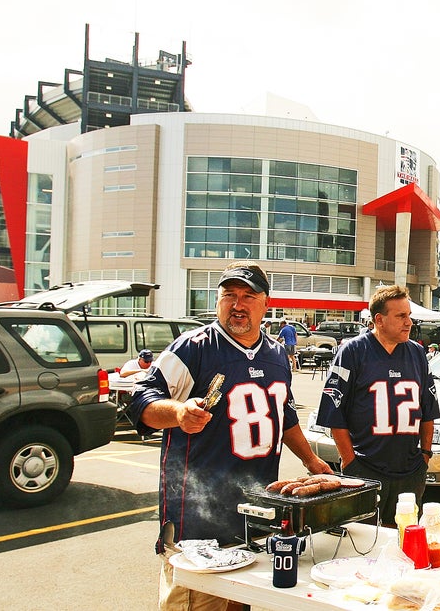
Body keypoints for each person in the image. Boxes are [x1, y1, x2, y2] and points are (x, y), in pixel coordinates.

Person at [127, 261, 332, 611]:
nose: (237, 305)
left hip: (256, 512)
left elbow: (283, 413)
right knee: (197, 604)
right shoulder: (193, 348)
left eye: (247, 296)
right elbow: (140, 399)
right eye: (229, 295)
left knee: (242, 603)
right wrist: (177, 413)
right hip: (198, 517)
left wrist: (311, 460)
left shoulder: (277, 354)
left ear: (266, 303)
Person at [315, 284, 440, 526]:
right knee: (365, 540)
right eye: (401, 316)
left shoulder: (416, 353)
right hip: (366, 468)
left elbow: (428, 410)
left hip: (410, 469)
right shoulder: (353, 351)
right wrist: (350, 461)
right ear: (379, 320)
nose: (409, 322)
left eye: (409, 316)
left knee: (405, 535)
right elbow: (334, 412)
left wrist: (425, 455)